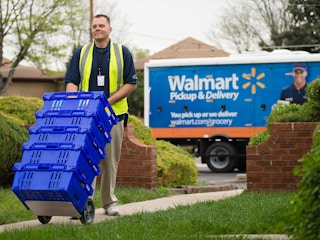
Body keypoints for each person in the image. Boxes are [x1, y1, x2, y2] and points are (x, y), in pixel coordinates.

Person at [64, 14, 137, 216]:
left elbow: (131, 84)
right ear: (92, 30)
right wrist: (73, 103)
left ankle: (109, 203)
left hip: (114, 114)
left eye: (101, 25)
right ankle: (83, 201)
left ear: (109, 29)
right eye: (94, 26)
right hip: (86, 116)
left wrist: (106, 102)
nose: (97, 28)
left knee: (109, 161)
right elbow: (71, 81)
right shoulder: (81, 53)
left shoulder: (122, 52)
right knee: (85, 159)